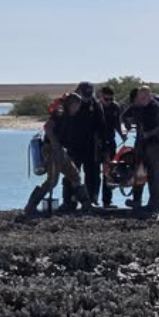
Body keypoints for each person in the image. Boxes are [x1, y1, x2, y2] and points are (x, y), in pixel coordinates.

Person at [23, 93, 92, 216]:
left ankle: (86, 206)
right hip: (52, 150)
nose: (78, 108)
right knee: (52, 182)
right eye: (77, 105)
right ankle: (30, 207)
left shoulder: (70, 116)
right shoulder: (59, 114)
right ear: (71, 104)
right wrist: (55, 145)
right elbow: (47, 127)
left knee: (75, 175)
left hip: (61, 151)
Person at [60, 81, 105, 210]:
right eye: (84, 95)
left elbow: (101, 126)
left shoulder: (95, 105)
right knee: (71, 174)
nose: (86, 98)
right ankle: (69, 201)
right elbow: (62, 124)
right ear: (78, 92)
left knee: (93, 174)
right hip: (73, 145)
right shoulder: (69, 103)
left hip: (91, 146)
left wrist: (103, 145)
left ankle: (92, 200)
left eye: (89, 95)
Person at [129, 86, 159, 218]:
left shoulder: (157, 108)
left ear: (150, 96)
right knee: (149, 176)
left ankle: (156, 206)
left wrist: (148, 134)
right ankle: (150, 205)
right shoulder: (141, 108)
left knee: (157, 176)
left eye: (144, 97)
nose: (142, 100)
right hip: (147, 147)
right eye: (140, 98)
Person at [98, 85, 126, 208]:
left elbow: (118, 124)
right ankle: (91, 200)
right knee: (93, 173)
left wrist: (123, 134)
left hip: (110, 142)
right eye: (106, 99)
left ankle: (107, 201)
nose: (109, 102)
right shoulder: (95, 107)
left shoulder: (115, 107)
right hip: (96, 144)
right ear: (101, 96)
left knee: (109, 172)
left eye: (111, 99)